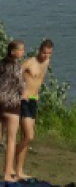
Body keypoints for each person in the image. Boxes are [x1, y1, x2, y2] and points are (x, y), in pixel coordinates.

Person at [15, 38, 54, 180]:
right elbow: (13, 75)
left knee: (26, 138)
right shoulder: (30, 62)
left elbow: (38, 80)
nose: (45, 56)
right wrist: (20, 92)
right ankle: (11, 153)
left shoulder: (47, 62)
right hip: (23, 101)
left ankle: (19, 171)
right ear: (39, 50)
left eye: (49, 54)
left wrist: (36, 94)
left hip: (33, 101)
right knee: (29, 136)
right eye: (44, 53)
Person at [1, 39, 25, 182]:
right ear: (13, 52)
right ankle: (7, 174)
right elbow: (21, 87)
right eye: (21, 50)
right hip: (12, 106)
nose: (22, 52)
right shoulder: (17, 67)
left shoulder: (0, 64)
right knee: (11, 140)